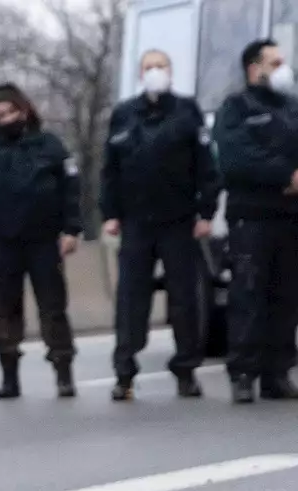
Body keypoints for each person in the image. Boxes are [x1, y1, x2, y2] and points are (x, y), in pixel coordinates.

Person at [101, 49, 221, 401]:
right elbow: (111, 169)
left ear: (171, 72)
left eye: (161, 67)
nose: (155, 72)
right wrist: (110, 212)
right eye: (149, 67)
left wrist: (206, 213)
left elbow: (206, 167)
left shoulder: (186, 111)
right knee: (130, 300)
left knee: (184, 299)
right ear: (140, 74)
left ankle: (186, 370)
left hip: (178, 220)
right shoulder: (124, 115)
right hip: (136, 221)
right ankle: (124, 373)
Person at [0, 83, 82, 399]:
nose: (6, 119)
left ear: (24, 110)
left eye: (11, 112)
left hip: (44, 241)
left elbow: (71, 191)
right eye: (0, 114)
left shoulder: (49, 147)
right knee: (6, 311)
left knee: (53, 308)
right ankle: (9, 376)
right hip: (4, 243)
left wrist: (72, 229)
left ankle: (63, 371)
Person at [212, 39, 298, 403]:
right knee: (249, 293)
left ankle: (277, 373)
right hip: (252, 216)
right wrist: (286, 176)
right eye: (275, 62)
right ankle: (244, 372)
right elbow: (237, 159)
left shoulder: (293, 108)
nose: (283, 68)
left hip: (291, 217)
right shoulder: (235, 108)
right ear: (254, 68)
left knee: (287, 296)